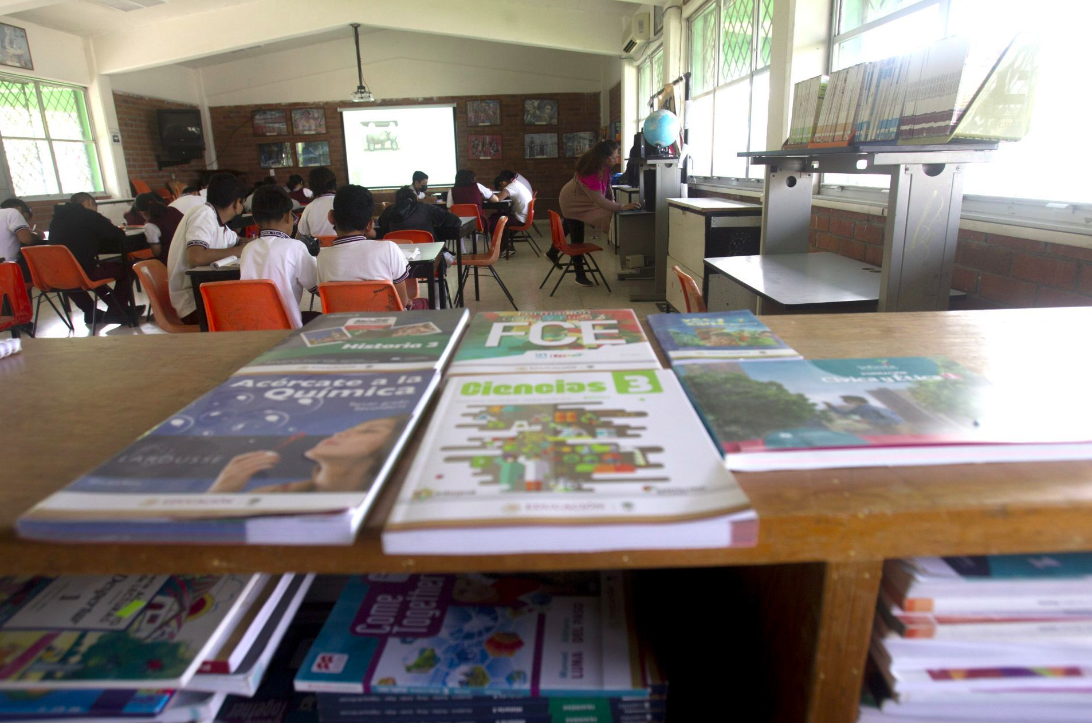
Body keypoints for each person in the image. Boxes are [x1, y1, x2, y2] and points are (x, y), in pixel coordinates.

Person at [206, 416, 405, 494]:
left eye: (368, 431)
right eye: (352, 428)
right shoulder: (272, 494)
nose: (341, 433)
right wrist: (220, 493)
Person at [316, 184, 415, 309]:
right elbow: (402, 301)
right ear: (370, 225)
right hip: (388, 321)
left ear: (331, 217)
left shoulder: (323, 257)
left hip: (344, 321)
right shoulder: (389, 249)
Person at [166, 173, 247, 324]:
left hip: (205, 295)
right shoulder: (203, 214)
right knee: (251, 309)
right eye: (243, 203)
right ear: (237, 203)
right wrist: (238, 251)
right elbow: (196, 257)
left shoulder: (218, 222)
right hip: (193, 304)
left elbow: (239, 241)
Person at [556, 140, 639, 287]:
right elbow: (599, 200)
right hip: (571, 201)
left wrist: (613, 202)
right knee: (577, 239)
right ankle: (579, 276)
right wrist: (621, 207)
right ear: (605, 158)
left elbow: (607, 187)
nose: (617, 159)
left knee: (569, 227)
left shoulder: (604, 167)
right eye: (615, 157)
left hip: (579, 197)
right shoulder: (590, 173)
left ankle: (552, 253)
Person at [47, 192, 139, 324]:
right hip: (84, 272)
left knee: (83, 273)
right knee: (130, 268)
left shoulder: (56, 219)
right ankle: (116, 312)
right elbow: (117, 234)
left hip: (57, 275)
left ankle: (93, 311)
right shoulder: (88, 215)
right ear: (89, 202)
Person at [239, 185, 317, 330]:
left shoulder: (248, 249)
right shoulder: (295, 247)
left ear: (255, 221)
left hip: (253, 328)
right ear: (288, 216)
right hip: (288, 328)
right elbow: (316, 287)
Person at [376, 186, 461, 241]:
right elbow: (455, 221)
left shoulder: (389, 210)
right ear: (415, 198)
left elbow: (381, 224)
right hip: (429, 254)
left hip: (399, 257)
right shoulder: (427, 208)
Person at [132, 192, 184, 262]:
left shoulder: (150, 226)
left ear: (141, 212)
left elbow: (157, 253)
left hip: (171, 260)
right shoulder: (172, 209)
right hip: (188, 253)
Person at [0, 198, 38, 282]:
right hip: (7, 267)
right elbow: (27, 239)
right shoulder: (13, 212)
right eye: (24, 219)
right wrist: (37, 235)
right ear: (19, 209)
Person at [297, 167, 337, 238]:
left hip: (318, 245)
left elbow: (301, 234)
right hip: (343, 244)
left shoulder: (309, 207)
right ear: (334, 183)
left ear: (311, 186)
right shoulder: (343, 202)